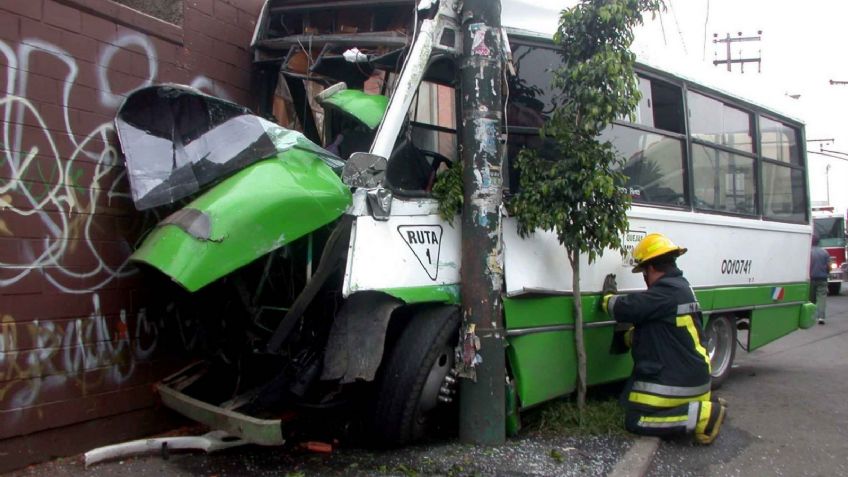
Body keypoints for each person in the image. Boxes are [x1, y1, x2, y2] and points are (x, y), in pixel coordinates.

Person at [601, 233, 726, 445]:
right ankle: (698, 406)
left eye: (643, 272)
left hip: (681, 383)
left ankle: (702, 416)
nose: (644, 279)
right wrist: (632, 338)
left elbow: (626, 308)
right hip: (694, 377)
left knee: (636, 420)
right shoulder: (680, 287)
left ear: (650, 268)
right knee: (628, 401)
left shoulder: (666, 292)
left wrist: (608, 299)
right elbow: (661, 333)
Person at [810, 235, 830, 325]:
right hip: (822, 278)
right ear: (819, 242)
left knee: (811, 298)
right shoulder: (825, 252)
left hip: (811, 278)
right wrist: (827, 272)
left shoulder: (808, 252)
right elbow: (829, 266)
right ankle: (821, 317)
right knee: (822, 298)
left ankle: (811, 316)